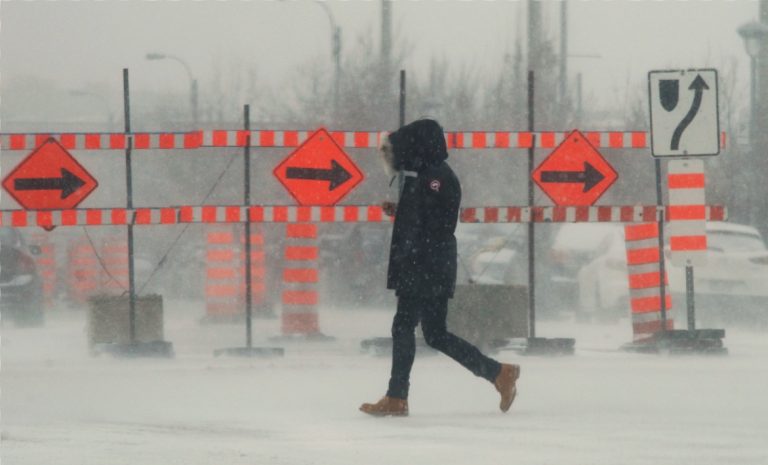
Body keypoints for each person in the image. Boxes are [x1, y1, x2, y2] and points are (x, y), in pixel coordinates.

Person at [360, 119, 520, 417]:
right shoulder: (427, 175)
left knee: (404, 326)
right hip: (428, 264)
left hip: (425, 265)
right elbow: (428, 217)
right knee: (435, 333)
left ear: (418, 146)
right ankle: (498, 373)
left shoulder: (435, 178)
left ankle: (397, 397)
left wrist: (410, 226)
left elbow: (433, 225)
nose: (398, 156)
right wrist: (402, 211)